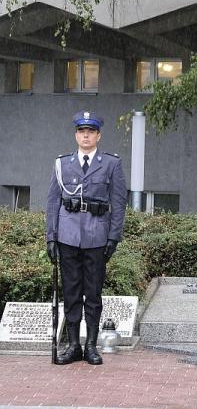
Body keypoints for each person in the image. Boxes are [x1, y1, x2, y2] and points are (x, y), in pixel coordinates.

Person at [46, 111, 127, 365]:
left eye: (91, 131)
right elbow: (52, 202)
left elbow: (119, 202)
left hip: (96, 237)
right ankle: (73, 346)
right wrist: (51, 237)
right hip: (68, 237)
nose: (86, 135)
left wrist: (114, 236)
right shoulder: (62, 164)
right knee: (71, 293)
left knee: (92, 294)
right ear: (76, 135)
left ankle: (91, 346)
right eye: (82, 131)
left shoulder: (111, 164)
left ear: (98, 135)